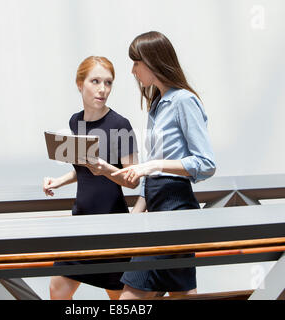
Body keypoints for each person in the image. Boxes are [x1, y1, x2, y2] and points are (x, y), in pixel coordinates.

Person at [111, 31, 216, 299]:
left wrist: (153, 165)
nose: (133, 70)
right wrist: (139, 208)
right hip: (159, 207)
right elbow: (152, 168)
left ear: (152, 62)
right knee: (182, 293)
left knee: (131, 296)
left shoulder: (183, 101)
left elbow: (206, 163)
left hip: (176, 207)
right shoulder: (157, 105)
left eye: (136, 63)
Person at [43, 56, 139, 300]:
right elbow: (83, 168)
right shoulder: (75, 122)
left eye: (108, 83)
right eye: (95, 81)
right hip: (81, 224)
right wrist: (59, 181)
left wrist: (107, 169)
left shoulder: (121, 124)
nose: (103, 89)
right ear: (79, 84)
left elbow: (133, 179)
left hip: (113, 227)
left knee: (117, 297)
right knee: (57, 289)